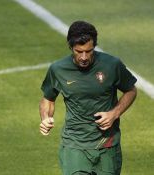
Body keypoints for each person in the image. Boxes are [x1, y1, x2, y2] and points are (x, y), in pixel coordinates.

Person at [39, 21, 137, 175]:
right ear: (70, 47)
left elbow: (131, 90)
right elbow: (48, 99)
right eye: (79, 51)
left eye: (89, 51)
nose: (84, 57)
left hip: (107, 145)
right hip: (74, 146)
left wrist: (114, 114)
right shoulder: (58, 69)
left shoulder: (112, 65)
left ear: (94, 47)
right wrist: (45, 117)